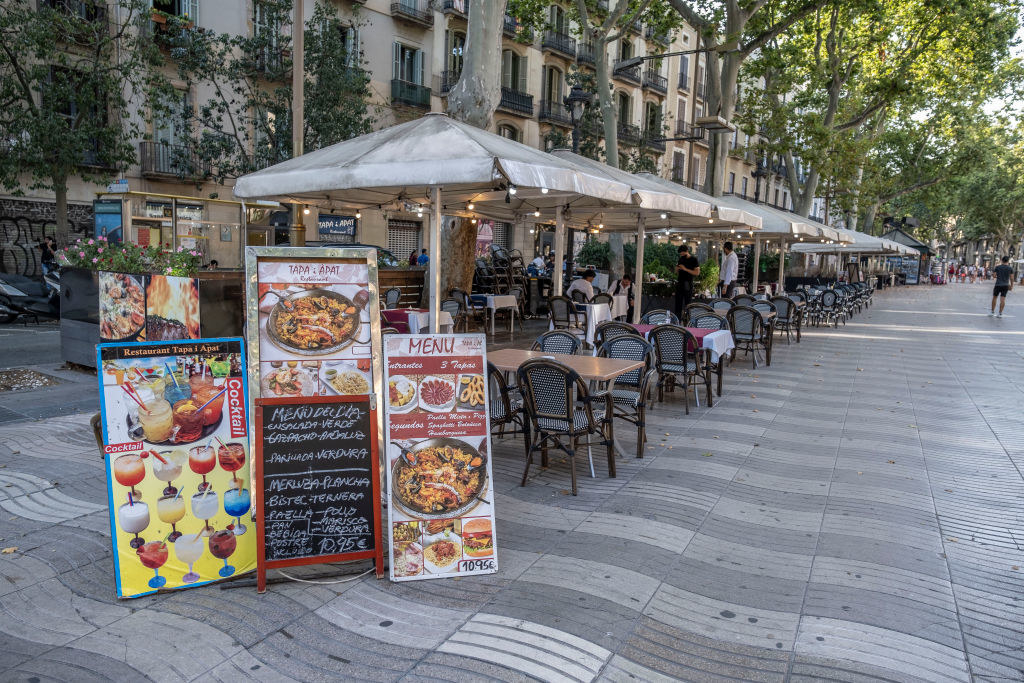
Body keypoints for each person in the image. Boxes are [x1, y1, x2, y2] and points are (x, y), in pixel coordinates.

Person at [674, 245, 700, 317]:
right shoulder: (681, 259)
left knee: (688, 304)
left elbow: (697, 273)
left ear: (686, 251)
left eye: (682, 253)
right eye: (680, 254)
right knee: (678, 303)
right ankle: (677, 320)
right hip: (680, 283)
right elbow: (676, 272)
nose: (681, 255)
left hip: (688, 283)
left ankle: (687, 319)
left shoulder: (694, 259)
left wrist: (685, 269)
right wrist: (677, 268)